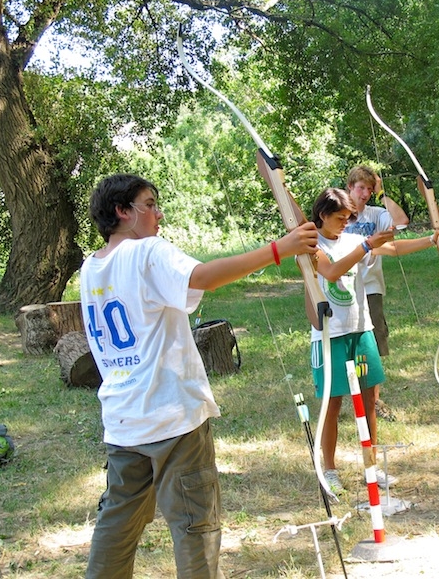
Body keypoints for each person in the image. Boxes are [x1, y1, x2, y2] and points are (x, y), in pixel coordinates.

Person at [80, 173, 318, 579]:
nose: (158, 214)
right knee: (195, 526)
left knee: (117, 525)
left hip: (124, 421)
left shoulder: (91, 268)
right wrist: (280, 249)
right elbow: (204, 276)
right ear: (122, 212)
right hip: (171, 417)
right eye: (149, 205)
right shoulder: (145, 252)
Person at [310, 187, 439, 496]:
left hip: (361, 330)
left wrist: (432, 240)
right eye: (339, 218)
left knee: (369, 402)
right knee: (332, 405)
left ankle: (371, 466)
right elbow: (332, 272)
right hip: (329, 335)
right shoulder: (310, 245)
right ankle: (330, 470)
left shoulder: (351, 239)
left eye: (349, 218)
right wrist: (365, 246)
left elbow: (394, 249)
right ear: (323, 215)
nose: (345, 224)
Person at [343, 165, 409, 421]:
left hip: (371, 287)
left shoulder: (376, 213)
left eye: (369, 189)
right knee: (346, 343)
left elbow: (401, 222)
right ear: (350, 186)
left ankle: (374, 399)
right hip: (344, 288)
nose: (365, 194)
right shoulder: (339, 212)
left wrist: (382, 194)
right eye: (361, 188)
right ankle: (349, 397)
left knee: (373, 344)